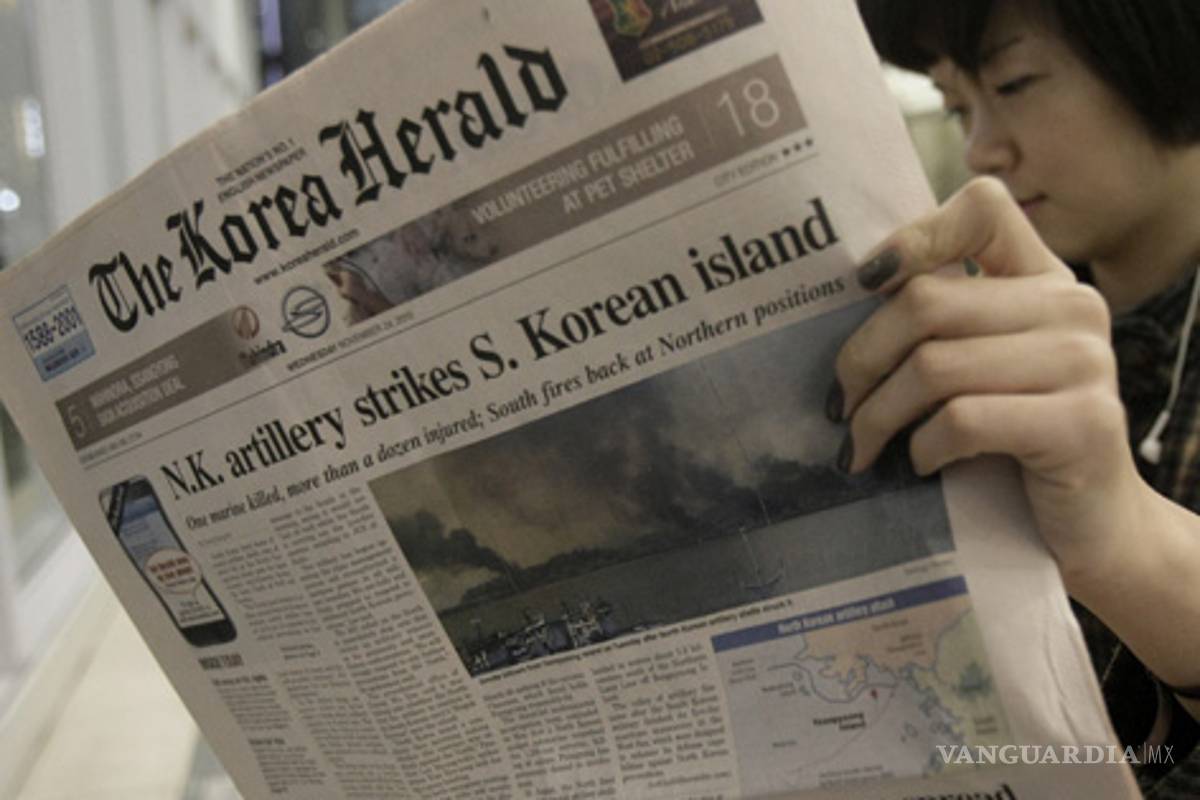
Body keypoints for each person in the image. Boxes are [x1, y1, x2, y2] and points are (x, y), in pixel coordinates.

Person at [846, 1, 1200, 795]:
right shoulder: (973, 340)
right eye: (956, 106)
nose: (982, 149)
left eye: (1015, 83)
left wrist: (1129, 541)